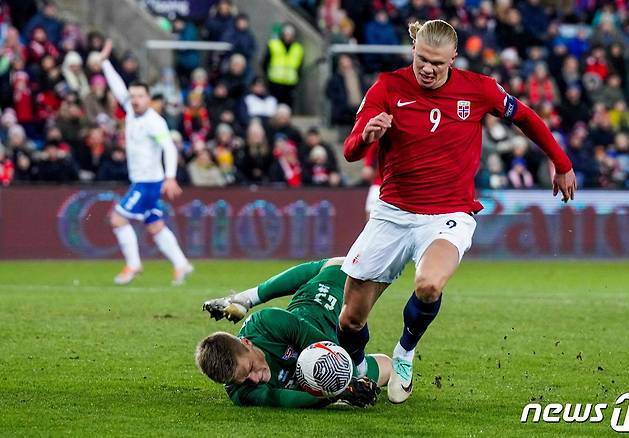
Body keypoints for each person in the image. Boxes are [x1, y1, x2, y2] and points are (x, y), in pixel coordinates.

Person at [337, 20, 577, 404]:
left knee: (429, 284)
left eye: (436, 62)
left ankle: (404, 352)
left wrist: (560, 162)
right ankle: (355, 372)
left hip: (449, 213)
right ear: (412, 48)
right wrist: (367, 136)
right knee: (350, 318)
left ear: (453, 57)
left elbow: (526, 117)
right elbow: (350, 150)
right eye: (420, 59)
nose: (427, 69)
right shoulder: (387, 86)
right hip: (392, 212)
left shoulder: (479, 89)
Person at [197, 257, 389, 408]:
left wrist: (347, 382)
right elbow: (277, 398)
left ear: (246, 343)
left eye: (249, 369)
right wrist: (336, 394)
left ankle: (246, 298)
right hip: (324, 352)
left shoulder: (266, 324)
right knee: (387, 370)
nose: (254, 380)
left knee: (339, 266)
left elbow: (327, 346)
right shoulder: (238, 390)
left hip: (327, 299)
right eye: (244, 380)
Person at [99, 40, 193, 286]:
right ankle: (181, 264)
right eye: (132, 96)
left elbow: (168, 148)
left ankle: (133, 264)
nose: (135, 100)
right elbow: (118, 86)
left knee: (117, 219)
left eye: (140, 96)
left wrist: (171, 176)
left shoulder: (155, 122)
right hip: (145, 181)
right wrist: (105, 62)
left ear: (148, 98)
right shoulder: (130, 110)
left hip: (147, 182)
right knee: (156, 226)